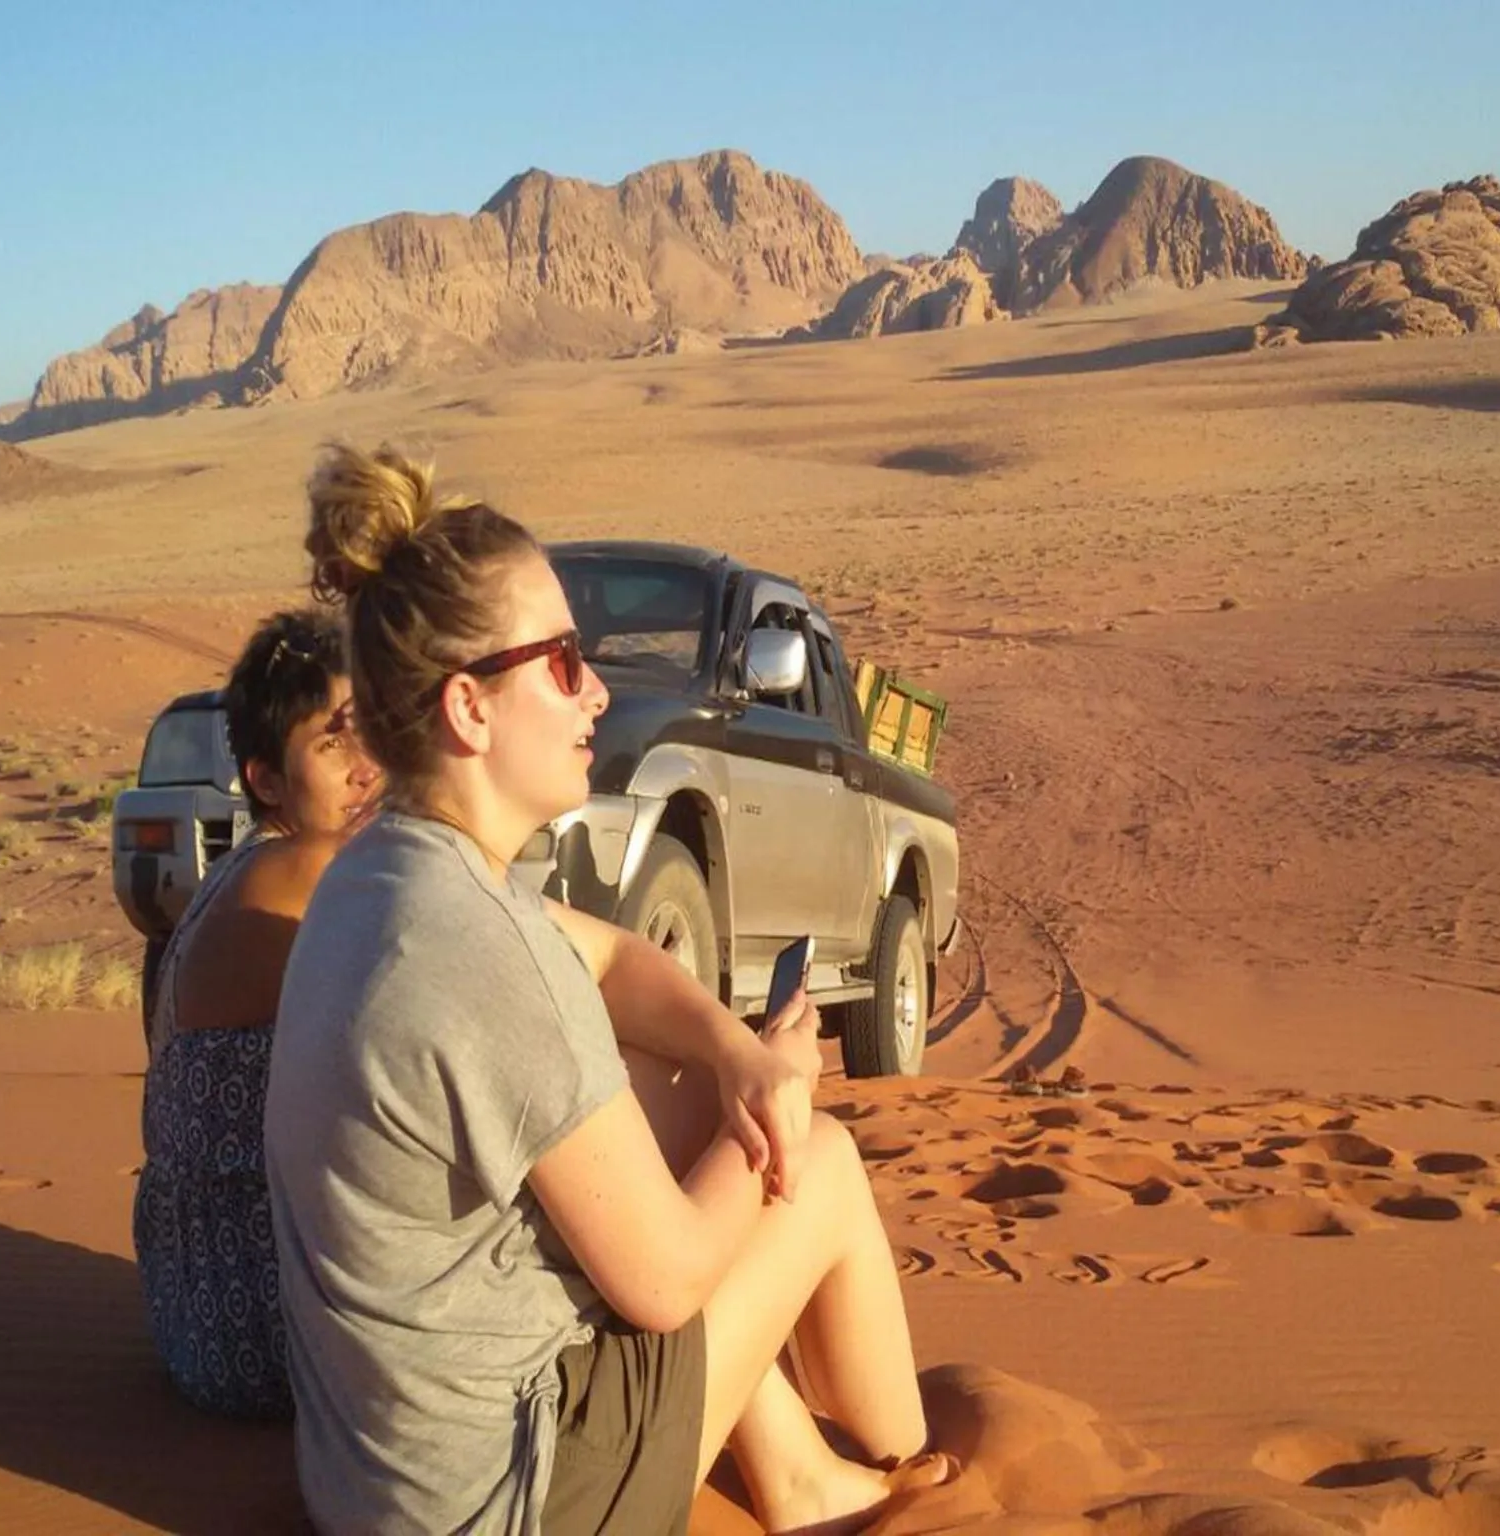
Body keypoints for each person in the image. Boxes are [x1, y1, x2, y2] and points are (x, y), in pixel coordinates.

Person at [266, 444, 947, 1535]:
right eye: (563, 661)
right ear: (468, 710)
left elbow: (619, 959)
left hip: (375, 1479)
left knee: (657, 1085)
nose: (595, 691)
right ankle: (912, 1471)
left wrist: (733, 1056)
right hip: (514, 1502)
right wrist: (782, 1091)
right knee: (816, 1163)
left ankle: (796, 1469)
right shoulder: (480, 952)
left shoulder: (384, 880)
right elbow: (670, 1284)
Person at [132, 609, 382, 1418]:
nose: (366, 767)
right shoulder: (304, 872)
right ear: (265, 779)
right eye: (333, 741)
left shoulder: (246, 872)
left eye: (371, 730)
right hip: (266, 1321)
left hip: (203, 1316)